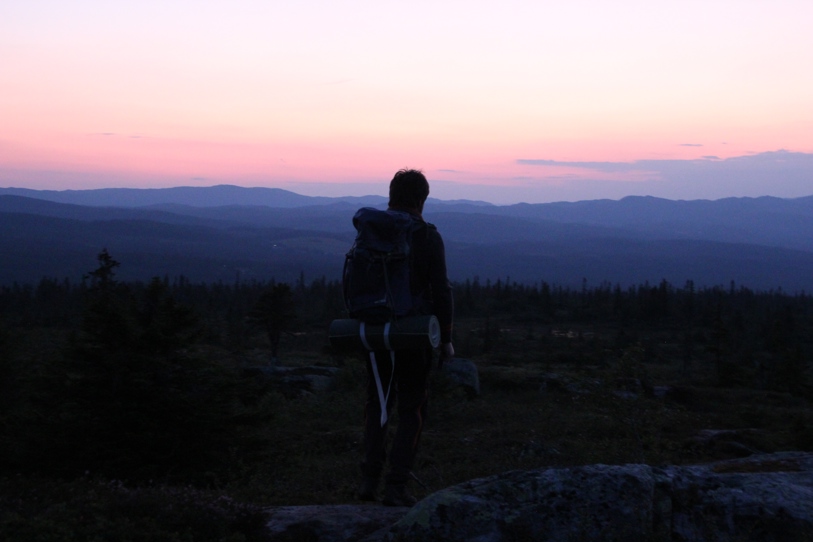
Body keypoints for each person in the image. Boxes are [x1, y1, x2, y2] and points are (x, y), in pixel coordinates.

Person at [358, 168, 454, 507]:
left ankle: (369, 482)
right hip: (412, 333)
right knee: (412, 408)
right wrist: (446, 338)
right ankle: (396, 488)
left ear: (391, 195)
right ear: (421, 200)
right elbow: (441, 290)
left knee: (378, 403)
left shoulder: (372, 229)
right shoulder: (427, 236)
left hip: (375, 330)